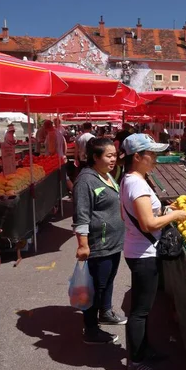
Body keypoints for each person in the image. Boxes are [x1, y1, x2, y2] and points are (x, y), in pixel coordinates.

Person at [120, 134, 186, 370]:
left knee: (144, 308)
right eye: (152, 154)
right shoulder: (136, 183)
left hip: (138, 249)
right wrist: (175, 216)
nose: (156, 159)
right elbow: (148, 223)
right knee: (139, 310)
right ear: (137, 157)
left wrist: (166, 209)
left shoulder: (132, 178)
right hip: (143, 254)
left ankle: (144, 349)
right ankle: (136, 361)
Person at [72, 137, 127, 344]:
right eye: (109, 155)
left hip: (113, 242)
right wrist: (83, 244)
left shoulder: (104, 175)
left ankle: (105, 312)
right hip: (98, 243)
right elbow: (81, 215)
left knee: (108, 280)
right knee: (95, 286)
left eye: (115, 155)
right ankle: (91, 329)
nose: (114, 159)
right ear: (95, 157)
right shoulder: (86, 180)